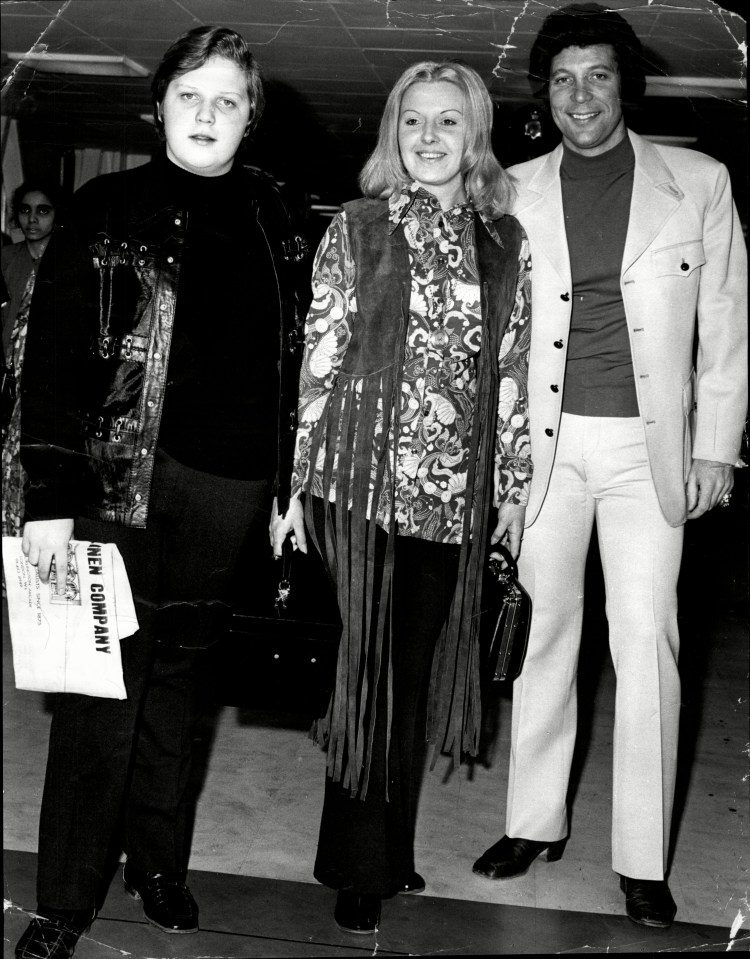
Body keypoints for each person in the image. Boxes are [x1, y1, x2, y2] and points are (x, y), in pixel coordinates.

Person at [15, 25, 307, 959]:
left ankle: (159, 866)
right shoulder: (106, 205)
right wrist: (46, 500)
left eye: (227, 99)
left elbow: (298, 365)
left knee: (182, 687)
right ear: (160, 109)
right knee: (102, 694)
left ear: (250, 116)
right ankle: (65, 896)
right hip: (112, 482)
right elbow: (49, 362)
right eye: (192, 96)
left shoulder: (279, 218)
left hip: (231, 487)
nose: (209, 114)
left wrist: (288, 487)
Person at [472, 2, 747, 930]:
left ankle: (640, 856)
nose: (579, 95)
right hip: (547, 448)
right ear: (542, 96)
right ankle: (533, 819)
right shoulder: (511, 188)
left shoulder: (698, 181)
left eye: (597, 76)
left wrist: (716, 443)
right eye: (560, 80)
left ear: (625, 83)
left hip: (647, 450)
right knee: (545, 634)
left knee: (647, 641)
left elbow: (725, 324)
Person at [272, 60, 532, 934]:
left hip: (452, 500)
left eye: (448, 122)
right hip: (360, 488)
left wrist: (510, 486)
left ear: (475, 137)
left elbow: (510, 373)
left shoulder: (505, 242)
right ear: (393, 134)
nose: (429, 137)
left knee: (411, 683)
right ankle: (358, 864)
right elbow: (319, 354)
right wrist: (295, 482)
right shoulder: (358, 226)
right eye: (412, 121)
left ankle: (386, 846)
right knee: (367, 675)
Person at [2, 183, 62, 535]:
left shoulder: (69, 261)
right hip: (9, 388)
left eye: (43, 210)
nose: (32, 219)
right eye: (26, 210)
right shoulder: (8, 259)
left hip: (48, 393)